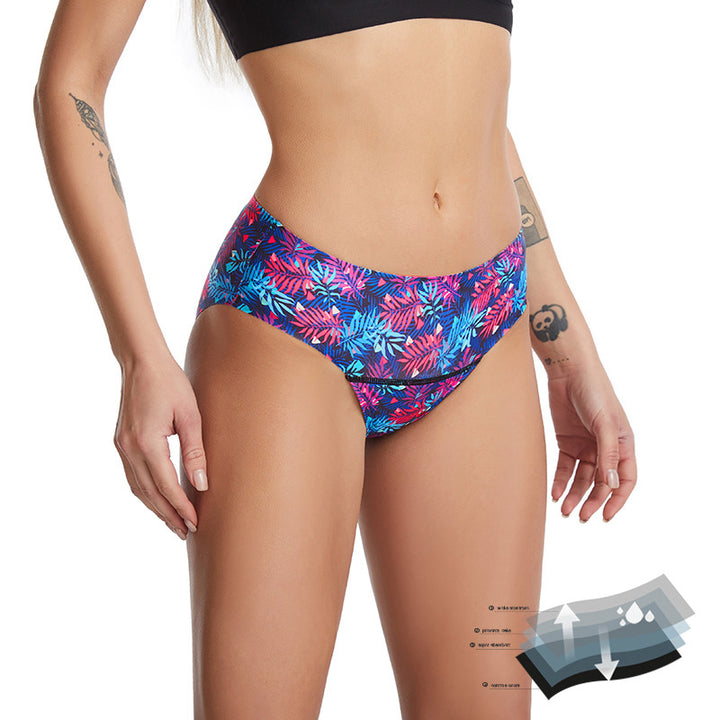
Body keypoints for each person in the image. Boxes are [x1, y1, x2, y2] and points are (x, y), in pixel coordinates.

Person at [33, 0, 637, 717]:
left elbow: (471, 111)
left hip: (482, 315)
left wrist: (567, 348)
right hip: (299, 312)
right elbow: (69, 83)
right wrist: (137, 355)